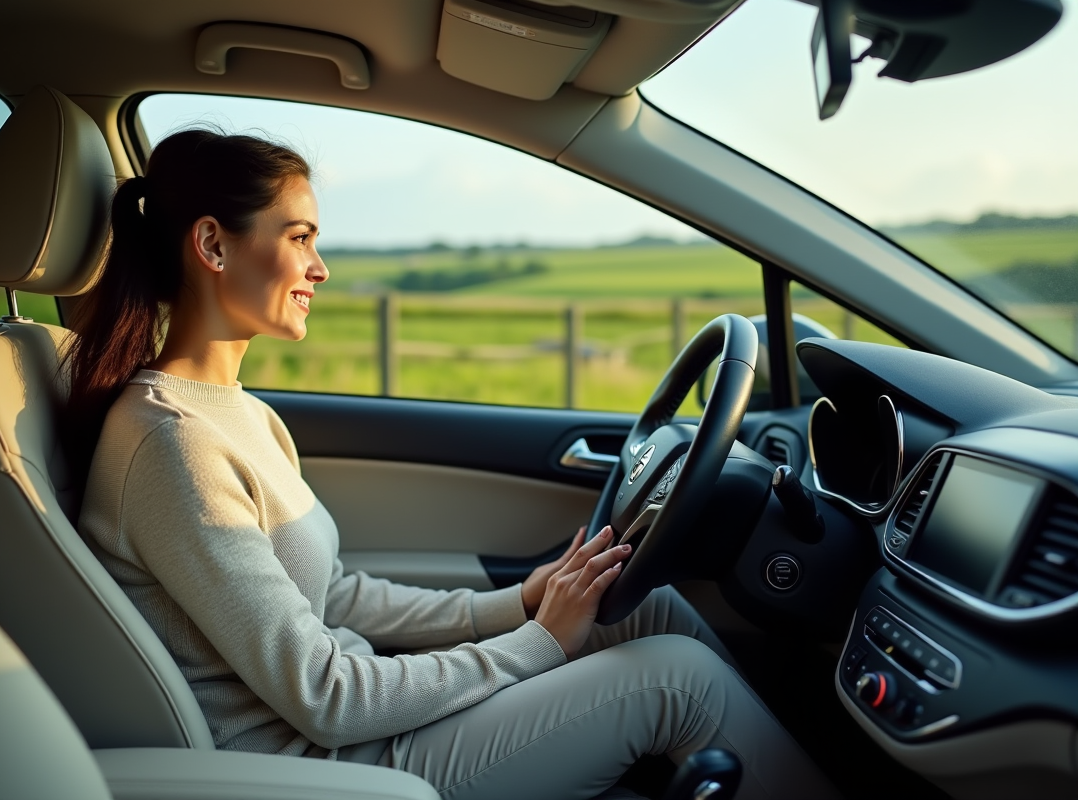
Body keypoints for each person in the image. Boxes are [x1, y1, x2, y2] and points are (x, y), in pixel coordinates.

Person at [71, 129, 838, 800]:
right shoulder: (174, 445)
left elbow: (334, 597)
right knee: (678, 679)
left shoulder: (236, 414)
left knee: (643, 609)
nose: (321, 266)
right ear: (212, 245)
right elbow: (325, 697)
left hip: (363, 730)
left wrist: (520, 605)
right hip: (339, 766)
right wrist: (539, 644)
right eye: (300, 236)